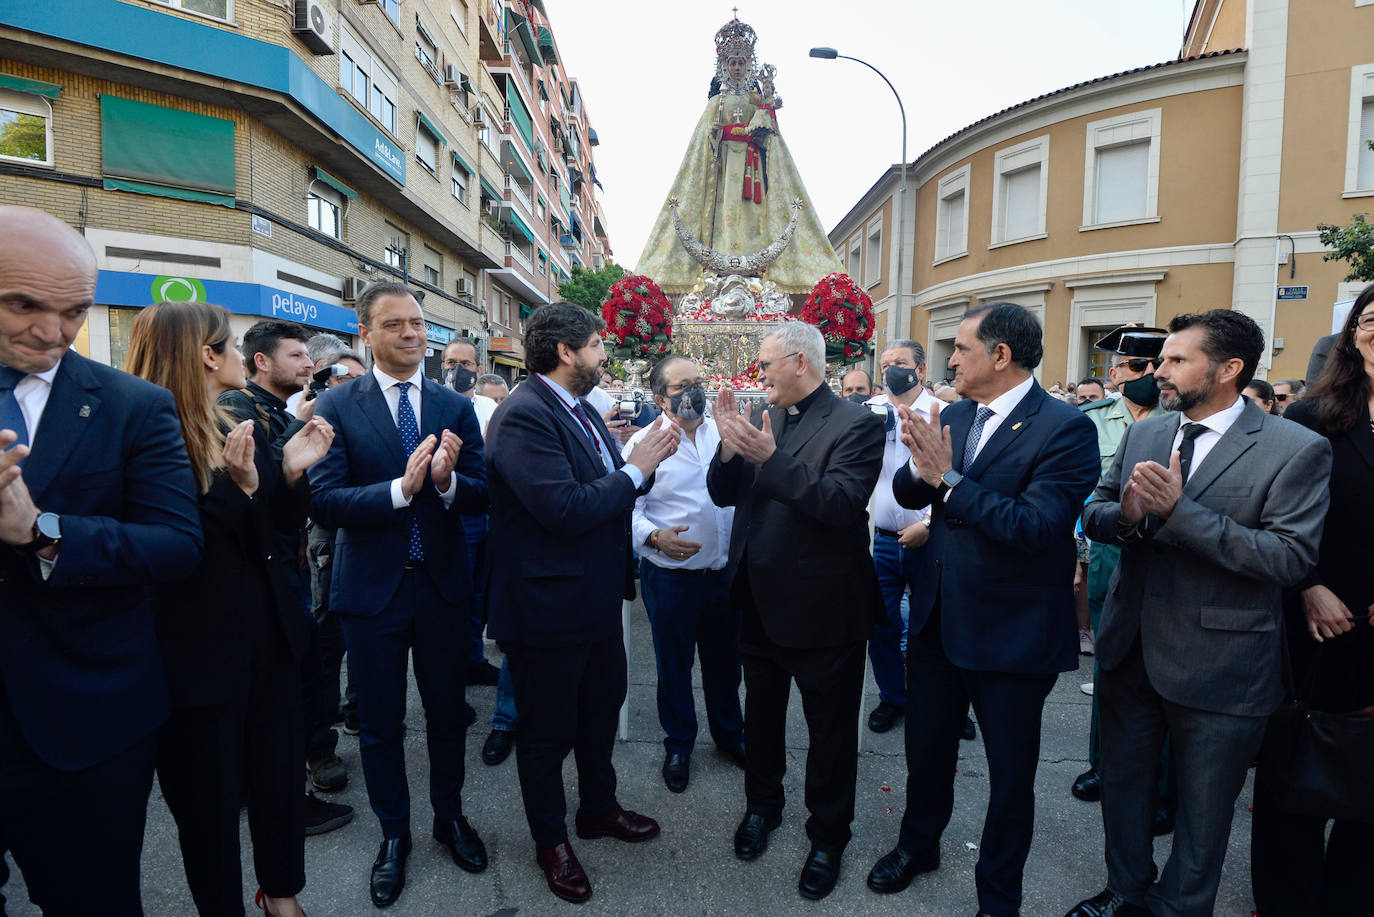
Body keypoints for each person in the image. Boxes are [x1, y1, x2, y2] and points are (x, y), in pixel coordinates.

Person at [1071, 310, 1331, 917]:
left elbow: (1290, 559)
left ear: (1229, 369)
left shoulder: (1296, 449)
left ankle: (1179, 906)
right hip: (1130, 648)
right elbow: (1096, 511)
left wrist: (1180, 513)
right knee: (1125, 790)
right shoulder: (1146, 433)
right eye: (1162, 359)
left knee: (1204, 810)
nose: (1158, 370)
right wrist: (1131, 516)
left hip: (1224, 663)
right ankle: (1124, 891)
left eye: (1176, 360)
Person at [0, 205, 203, 915]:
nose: (52, 331)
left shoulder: (132, 405)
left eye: (74, 310)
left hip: (85, 727)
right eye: (23, 304)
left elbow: (176, 544)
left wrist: (41, 528)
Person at [866, 303, 1099, 917]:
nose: (950, 361)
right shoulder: (957, 413)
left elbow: (1036, 527)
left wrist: (947, 481)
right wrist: (921, 472)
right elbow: (914, 489)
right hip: (940, 620)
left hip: (1012, 635)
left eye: (962, 349)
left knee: (1009, 776)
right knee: (927, 749)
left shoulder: (1065, 428)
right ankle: (919, 845)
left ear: (1000, 355)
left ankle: (998, 895)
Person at [127, 301, 335, 917]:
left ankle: (282, 895)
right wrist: (239, 490)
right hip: (194, 660)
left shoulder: (227, 425)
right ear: (206, 355)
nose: (244, 357)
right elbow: (170, 551)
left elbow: (267, 531)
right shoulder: (143, 433)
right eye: (232, 345)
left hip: (266, 640)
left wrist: (289, 478)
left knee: (277, 785)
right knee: (209, 807)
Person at [485, 302, 680, 905]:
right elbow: (565, 508)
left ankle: (598, 809)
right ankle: (551, 842)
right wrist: (635, 471)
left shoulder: (579, 410)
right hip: (545, 608)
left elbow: (607, 484)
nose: (604, 355)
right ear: (566, 352)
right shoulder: (524, 414)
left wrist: (638, 467)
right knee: (546, 734)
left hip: (593, 601)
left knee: (600, 712)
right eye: (597, 345)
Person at [310, 281, 490, 909]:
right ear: (366, 332)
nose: (412, 334)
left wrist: (444, 486)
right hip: (371, 592)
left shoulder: (453, 404)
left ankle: (449, 816)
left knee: (447, 715)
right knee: (380, 725)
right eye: (395, 324)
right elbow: (324, 499)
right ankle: (394, 834)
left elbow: (482, 488)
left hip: (441, 586)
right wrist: (399, 490)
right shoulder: (335, 406)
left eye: (418, 323)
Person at [707, 321, 885, 901]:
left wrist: (770, 458)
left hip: (823, 609)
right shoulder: (771, 417)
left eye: (764, 366)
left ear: (800, 363)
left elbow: (840, 503)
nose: (758, 377)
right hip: (758, 603)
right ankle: (762, 808)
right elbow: (724, 493)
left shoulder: (858, 423)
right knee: (760, 718)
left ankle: (828, 836)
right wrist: (730, 449)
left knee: (830, 734)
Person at [1251, 284, 1374, 916]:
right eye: (1372, 320)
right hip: (1315, 628)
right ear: (1353, 335)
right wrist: (1306, 584)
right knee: (1295, 776)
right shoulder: (1309, 418)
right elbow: (1271, 517)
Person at [635, 17, 842, 295]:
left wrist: (766, 110)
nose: (736, 67)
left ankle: (754, 267)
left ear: (748, 66)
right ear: (724, 66)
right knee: (725, 212)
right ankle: (722, 266)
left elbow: (771, 136)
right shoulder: (715, 102)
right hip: (724, 171)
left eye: (741, 63)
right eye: (732, 62)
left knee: (751, 213)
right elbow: (702, 144)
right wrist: (716, 137)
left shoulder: (756, 100)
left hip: (752, 168)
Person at [626, 355, 745, 794]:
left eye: (698, 381)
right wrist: (655, 537)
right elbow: (627, 509)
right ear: (660, 398)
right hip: (671, 577)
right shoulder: (643, 443)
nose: (694, 391)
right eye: (682, 386)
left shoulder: (725, 433)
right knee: (673, 665)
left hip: (723, 576)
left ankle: (730, 734)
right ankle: (679, 744)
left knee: (725, 664)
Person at [1072, 327, 1171, 817]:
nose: (1115, 374)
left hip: (1174, 557)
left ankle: (1160, 776)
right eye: (1114, 366)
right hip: (1110, 551)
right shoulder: (1094, 418)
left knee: (1166, 670)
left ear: (1154, 369)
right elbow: (1086, 495)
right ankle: (1102, 764)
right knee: (1110, 662)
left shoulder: (1183, 418)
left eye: (1128, 367)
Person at [863, 340, 940, 735]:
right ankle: (893, 696)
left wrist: (927, 524)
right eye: (886, 363)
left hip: (929, 541)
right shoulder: (869, 413)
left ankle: (943, 704)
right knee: (882, 626)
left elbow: (950, 475)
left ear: (920, 370)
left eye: (901, 363)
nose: (892, 369)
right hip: (881, 542)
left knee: (934, 628)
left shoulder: (943, 412)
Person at [442, 337, 501, 688]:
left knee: (478, 593)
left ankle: (473, 659)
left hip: (483, 511)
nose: (457, 370)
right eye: (451, 363)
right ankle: (451, 669)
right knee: (454, 594)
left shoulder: (490, 409)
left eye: (465, 365)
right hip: (450, 514)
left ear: (478, 370)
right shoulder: (432, 404)